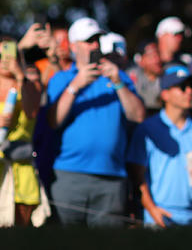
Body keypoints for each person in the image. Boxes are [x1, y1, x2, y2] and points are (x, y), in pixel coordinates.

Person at [47, 17, 145, 226]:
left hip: (111, 177)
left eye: (97, 39)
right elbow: (53, 121)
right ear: (73, 46)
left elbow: (138, 116)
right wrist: (76, 85)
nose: (94, 45)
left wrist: (118, 82)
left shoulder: (118, 77)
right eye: (88, 40)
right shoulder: (62, 79)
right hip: (69, 175)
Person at [126, 66, 192, 227]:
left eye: (191, 87)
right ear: (165, 94)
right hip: (158, 216)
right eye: (182, 87)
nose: (189, 91)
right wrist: (152, 210)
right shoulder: (147, 129)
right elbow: (137, 176)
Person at [0, 37, 44, 226]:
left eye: (9, 54)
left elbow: (32, 111)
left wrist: (20, 76)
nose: (4, 59)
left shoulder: (29, 84)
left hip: (21, 170)